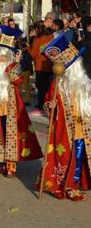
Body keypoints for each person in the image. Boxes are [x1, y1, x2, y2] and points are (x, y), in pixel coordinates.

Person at [0, 25, 42, 177]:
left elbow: (18, 80)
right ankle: (2, 161)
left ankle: (11, 164)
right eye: (0, 56)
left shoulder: (13, 67)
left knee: (11, 134)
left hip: (12, 108)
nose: (2, 59)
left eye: (5, 56)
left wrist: (15, 64)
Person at [40, 34, 91, 201]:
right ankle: (64, 185)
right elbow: (47, 102)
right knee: (65, 157)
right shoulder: (57, 85)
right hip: (65, 129)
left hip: (83, 128)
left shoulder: (85, 83)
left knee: (79, 157)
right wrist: (50, 105)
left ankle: (74, 185)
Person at [28, 22, 54, 115]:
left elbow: (32, 54)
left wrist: (28, 47)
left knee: (41, 87)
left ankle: (41, 105)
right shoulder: (51, 36)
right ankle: (49, 105)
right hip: (51, 64)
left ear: (37, 29)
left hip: (40, 66)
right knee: (49, 87)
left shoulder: (36, 39)